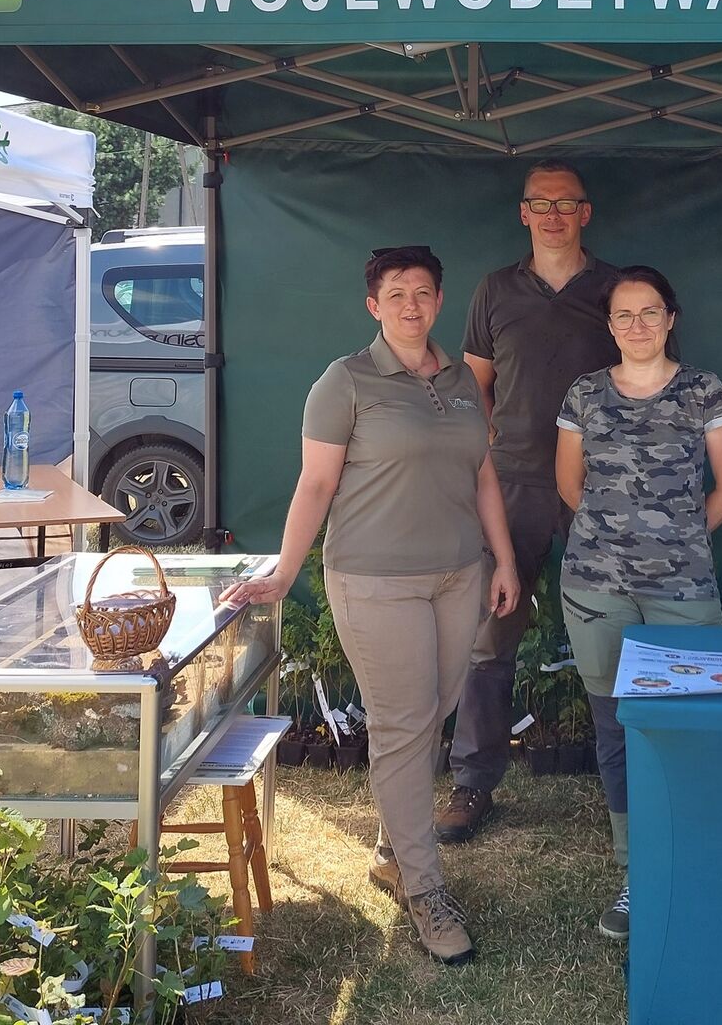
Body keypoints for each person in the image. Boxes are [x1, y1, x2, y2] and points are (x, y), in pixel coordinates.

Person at [222, 245, 520, 966]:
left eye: (422, 292)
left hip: (458, 576)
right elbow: (315, 485)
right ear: (373, 306)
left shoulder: (459, 380)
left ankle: (392, 848)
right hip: (375, 581)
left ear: (439, 300)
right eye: (396, 294)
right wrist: (284, 572)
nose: (411, 305)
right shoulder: (345, 381)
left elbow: (483, 474)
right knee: (404, 724)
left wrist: (504, 558)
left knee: (432, 714)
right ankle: (425, 889)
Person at [554, 265, 722, 941]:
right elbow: (570, 485)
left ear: (671, 318)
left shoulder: (704, 390)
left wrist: (678, 539)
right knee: (617, 726)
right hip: (595, 587)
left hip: (683, 589)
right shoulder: (584, 393)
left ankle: (696, 855)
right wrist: (622, 542)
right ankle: (637, 870)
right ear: (610, 325)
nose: (637, 325)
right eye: (624, 314)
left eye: (650, 312)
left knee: (691, 721)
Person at [440, 160, 622, 844]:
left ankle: (629, 785)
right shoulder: (495, 289)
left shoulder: (617, 290)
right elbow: (475, 384)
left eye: (565, 203)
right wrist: (491, 446)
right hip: (512, 484)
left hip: (599, 487)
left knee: (613, 634)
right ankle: (471, 783)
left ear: (585, 212)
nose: (553, 215)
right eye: (540, 204)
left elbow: (644, 377)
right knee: (490, 638)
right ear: (523, 214)